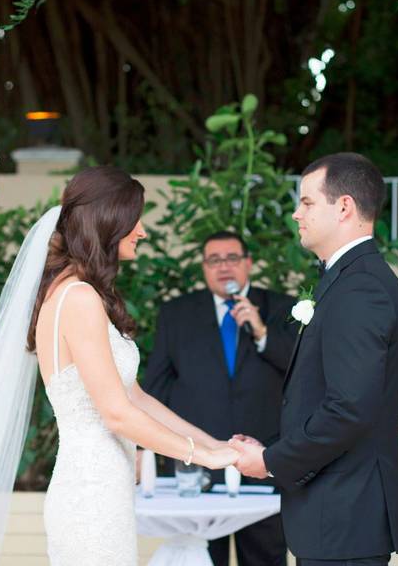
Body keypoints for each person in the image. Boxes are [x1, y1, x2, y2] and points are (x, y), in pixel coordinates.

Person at [0, 166, 237, 566]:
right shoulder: (77, 298)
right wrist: (204, 457)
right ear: (108, 223)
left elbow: (135, 397)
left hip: (105, 489)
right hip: (90, 496)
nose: (142, 230)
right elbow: (116, 414)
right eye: (134, 219)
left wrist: (217, 445)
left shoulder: (79, 293)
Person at [230, 153, 398, 566]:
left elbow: (349, 409)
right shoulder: (348, 280)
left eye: (307, 202)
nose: (297, 214)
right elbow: (326, 400)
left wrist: (270, 462)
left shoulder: (360, 288)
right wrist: (274, 447)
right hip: (336, 521)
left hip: (344, 521)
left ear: (344, 207)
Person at [143, 231, 297, 566]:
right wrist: (147, 449)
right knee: (201, 558)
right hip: (197, 463)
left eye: (231, 258)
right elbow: (157, 387)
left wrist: (261, 332)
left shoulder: (283, 308)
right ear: (203, 267)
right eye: (214, 260)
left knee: (265, 558)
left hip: (263, 460)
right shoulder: (176, 313)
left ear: (248, 264)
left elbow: (302, 373)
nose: (223, 267)